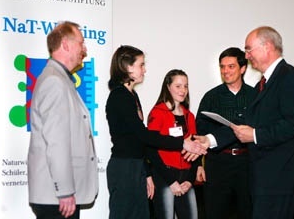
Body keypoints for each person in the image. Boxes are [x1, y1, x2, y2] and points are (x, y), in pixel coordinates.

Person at [105, 45, 208, 219]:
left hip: (137, 165)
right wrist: (182, 143)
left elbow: (140, 141)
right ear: (127, 67)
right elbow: (143, 135)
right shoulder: (119, 96)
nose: (144, 70)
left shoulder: (132, 95)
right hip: (124, 166)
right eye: (141, 65)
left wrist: (147, 174)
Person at [230, 26, 294, 219]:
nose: (246, 56)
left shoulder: (289, 76)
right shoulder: (263, 83)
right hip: (265, 178)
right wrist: (209, 140)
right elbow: (246, 124)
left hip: (280, 178)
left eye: (249, 49)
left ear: (267, 46)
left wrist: (255, 135)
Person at [27, 21, 99, 219]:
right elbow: (56, 142)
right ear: (66, 45)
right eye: (81, 43)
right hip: (56, 197)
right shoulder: (54, 81)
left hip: (56, 197)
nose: (84, 49)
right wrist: (65, 191)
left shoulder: (60, 79)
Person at [195, 47, 256, 219]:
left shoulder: (255, 96)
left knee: (249, 210)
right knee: (215, 211)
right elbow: (200, 131)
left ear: (243, 68)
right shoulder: (211, 97)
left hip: (248, 162)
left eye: (231, 66)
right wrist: (198, 164)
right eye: (222, 67)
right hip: (218, 162)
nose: (225, 71)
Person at [147, 69, 198, 219]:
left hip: (186, 178)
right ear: (168, 87)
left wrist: (190, 180)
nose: (183, 90)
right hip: (165, 177)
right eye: (178, 86)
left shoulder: (190, 116)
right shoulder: (158, 112)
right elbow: (150, 149)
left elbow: (196, 149)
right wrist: (171, 181)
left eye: (186, 86)